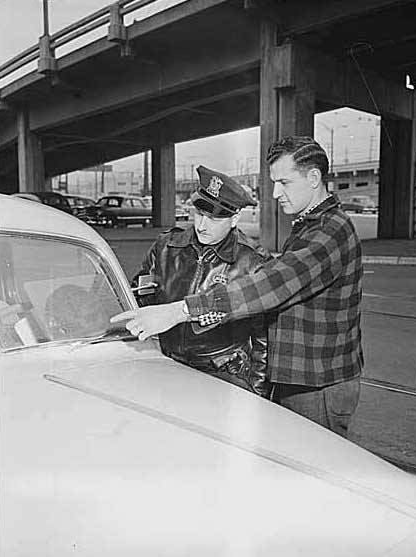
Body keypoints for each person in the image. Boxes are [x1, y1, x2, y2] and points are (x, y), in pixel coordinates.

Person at [112, 136, 364, 437]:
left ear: (313, 178)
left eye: (283, 182)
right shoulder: (311, 225)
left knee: (315, 471)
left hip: (315, 385)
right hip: (302, 379)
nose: (274, 193)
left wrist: (180, 311)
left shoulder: (328, 232)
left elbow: (269, 286)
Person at [129, 165, 271, 397]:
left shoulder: (252, 261)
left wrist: (256, 391)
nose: (202, 226)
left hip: (223, 375)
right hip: (167, 366)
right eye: (199, 214)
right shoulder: (167, 247)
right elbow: (140, 298)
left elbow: (263, 337)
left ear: (235, 218)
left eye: (214, 219)